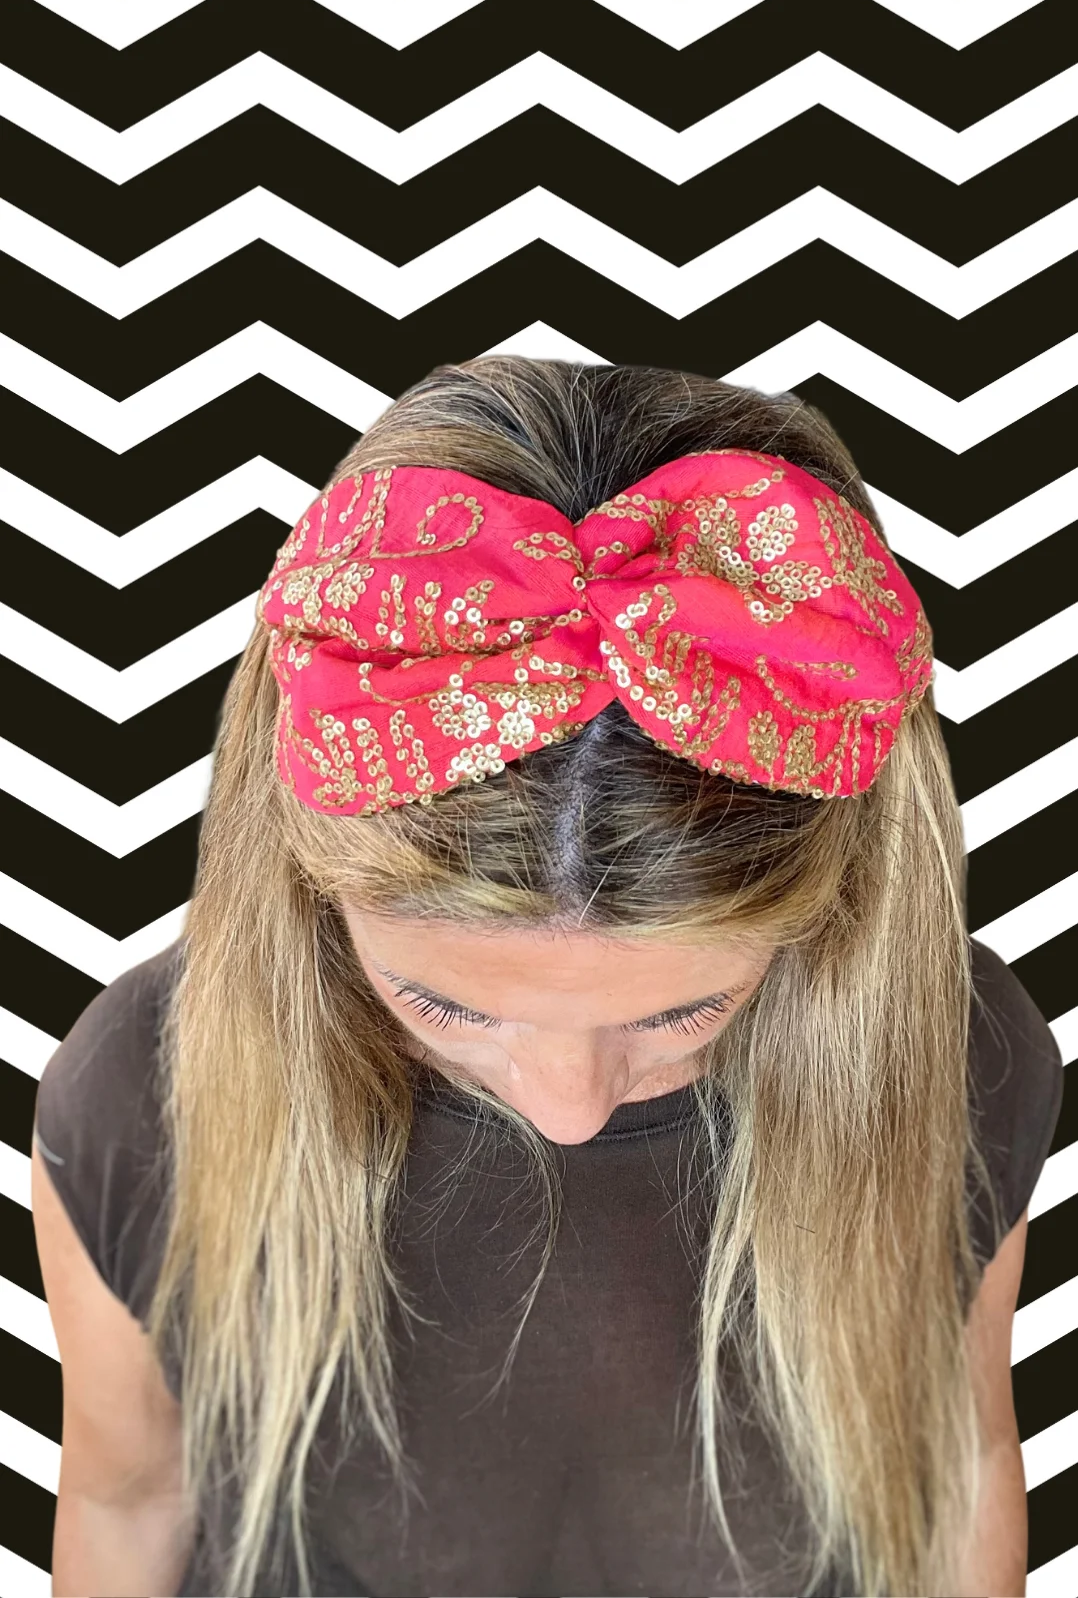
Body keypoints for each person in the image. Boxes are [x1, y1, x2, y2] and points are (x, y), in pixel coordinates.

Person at [31, 359, 1063, 1598]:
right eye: (444, 1003)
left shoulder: (957, 1053)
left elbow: (960, 1466)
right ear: (301, 872)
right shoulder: (140, 1090)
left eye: (685, 1010)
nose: (567, 1106)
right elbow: (126, 1496)